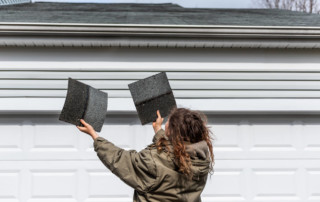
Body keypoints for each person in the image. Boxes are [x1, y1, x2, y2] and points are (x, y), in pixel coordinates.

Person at [77, 108, 214, 202]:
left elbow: (120, 160)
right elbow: (176, 150)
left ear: (172, 132)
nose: (165, 125)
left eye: (168, 123)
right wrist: (158, 131)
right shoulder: (201, 159)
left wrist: (94, 136)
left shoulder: (152, 162)